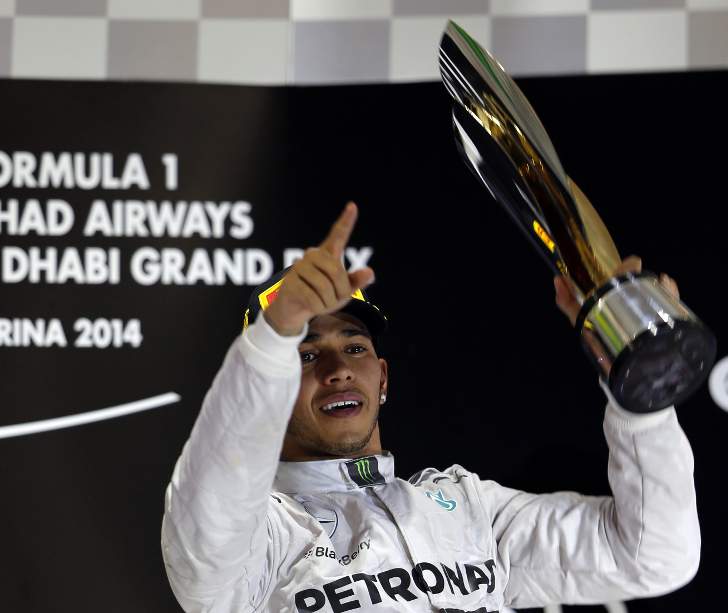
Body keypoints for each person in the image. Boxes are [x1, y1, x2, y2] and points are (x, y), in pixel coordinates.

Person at [162, 203, 699, 613]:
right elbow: (212, 510)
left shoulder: (469, 508)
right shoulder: (266, 538)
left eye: (354, 347)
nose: (338, 369)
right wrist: (271, 339)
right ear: (271, 389)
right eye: (305, 355)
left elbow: (652, 554)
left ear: (384, 377)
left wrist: (641, 392)